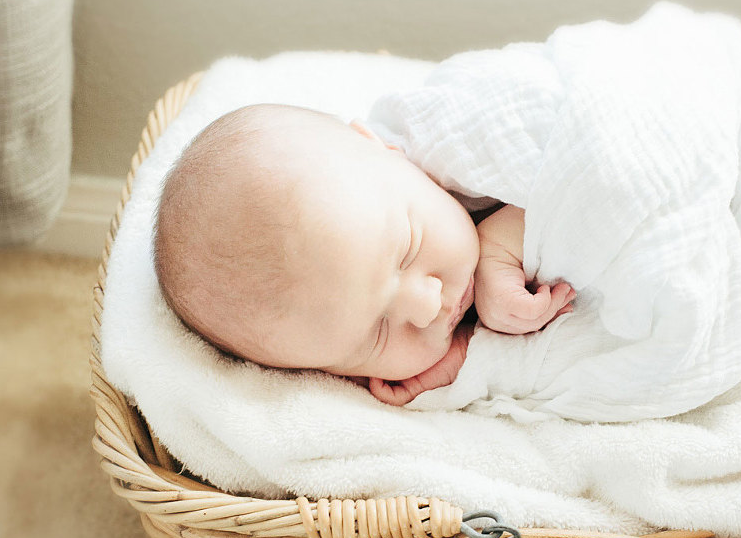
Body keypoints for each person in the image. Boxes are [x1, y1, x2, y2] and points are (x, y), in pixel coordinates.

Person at [153, 103, 575, 405]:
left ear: (383, 149)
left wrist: (499, 245)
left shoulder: (465, 133)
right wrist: (469, 359)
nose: (429, 306)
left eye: (408, 250)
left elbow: (590, 173)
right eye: (377, 333)